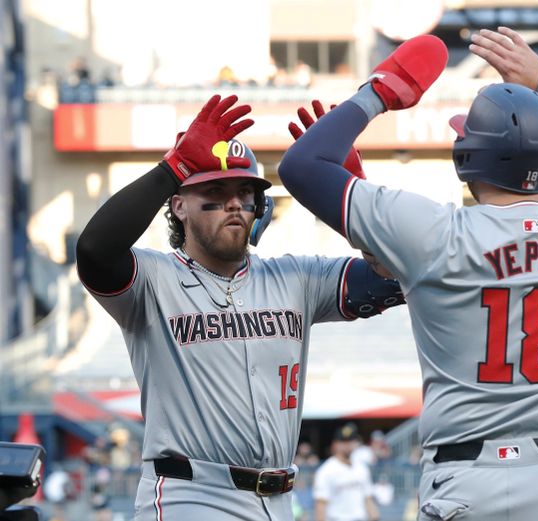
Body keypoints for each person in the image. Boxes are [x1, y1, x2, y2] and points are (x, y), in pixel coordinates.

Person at [280, 25, 538, 521]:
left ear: (467, 158)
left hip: (464, 481)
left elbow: (304, 164)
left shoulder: (431, 232)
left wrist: (377, 93)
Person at [75, 95, 404, 521]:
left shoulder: (296, 279)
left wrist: (361, 206)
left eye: (245, 192)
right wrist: (172, 169)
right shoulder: (154, 281)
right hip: (190, 497)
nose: (234, 203)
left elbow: (396, 278)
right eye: (215, 191)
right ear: (178, 205)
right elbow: (95, 251)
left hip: (279, 500)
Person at [313, 424, 379, 521]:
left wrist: (375, 517)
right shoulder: (326, 470)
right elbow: (321, 505)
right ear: (335, 444)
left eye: (351, 441)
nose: (348, 445)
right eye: (344, 442)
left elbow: (368, 499)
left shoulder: (361, 467)